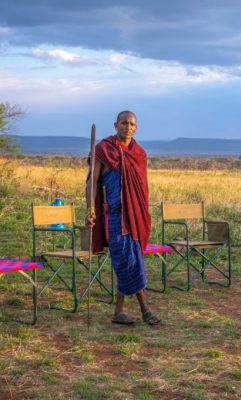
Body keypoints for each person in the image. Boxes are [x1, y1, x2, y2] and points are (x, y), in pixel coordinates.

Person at [85, 110, 161, 326]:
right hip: (115, 217)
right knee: (126, 261)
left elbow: (141, 190)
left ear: (136, 128)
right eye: (124, 123)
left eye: (132, 124)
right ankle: (145, 310)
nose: (128, 127)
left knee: (128, 262)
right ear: (115, 125)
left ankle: (119, 312)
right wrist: (90, 210)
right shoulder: (104, 150)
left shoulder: (139, 153)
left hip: (134, 217)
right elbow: (93, 182)